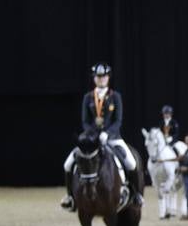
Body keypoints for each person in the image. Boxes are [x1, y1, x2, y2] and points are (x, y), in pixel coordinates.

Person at [60, 63, 142, 211]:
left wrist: (107, 133)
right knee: (67, 164)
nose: (101, 79)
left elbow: (118, 121)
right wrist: (93, 135)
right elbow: (85, 121)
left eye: (103, 76)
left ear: (108, 78)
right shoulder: (88, 97)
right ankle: (70, 197)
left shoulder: (116, 97)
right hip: (91, 140)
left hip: (113, 137)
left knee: (131, 162)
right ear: (94, 78)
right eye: (98, 77)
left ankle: (136, 194)